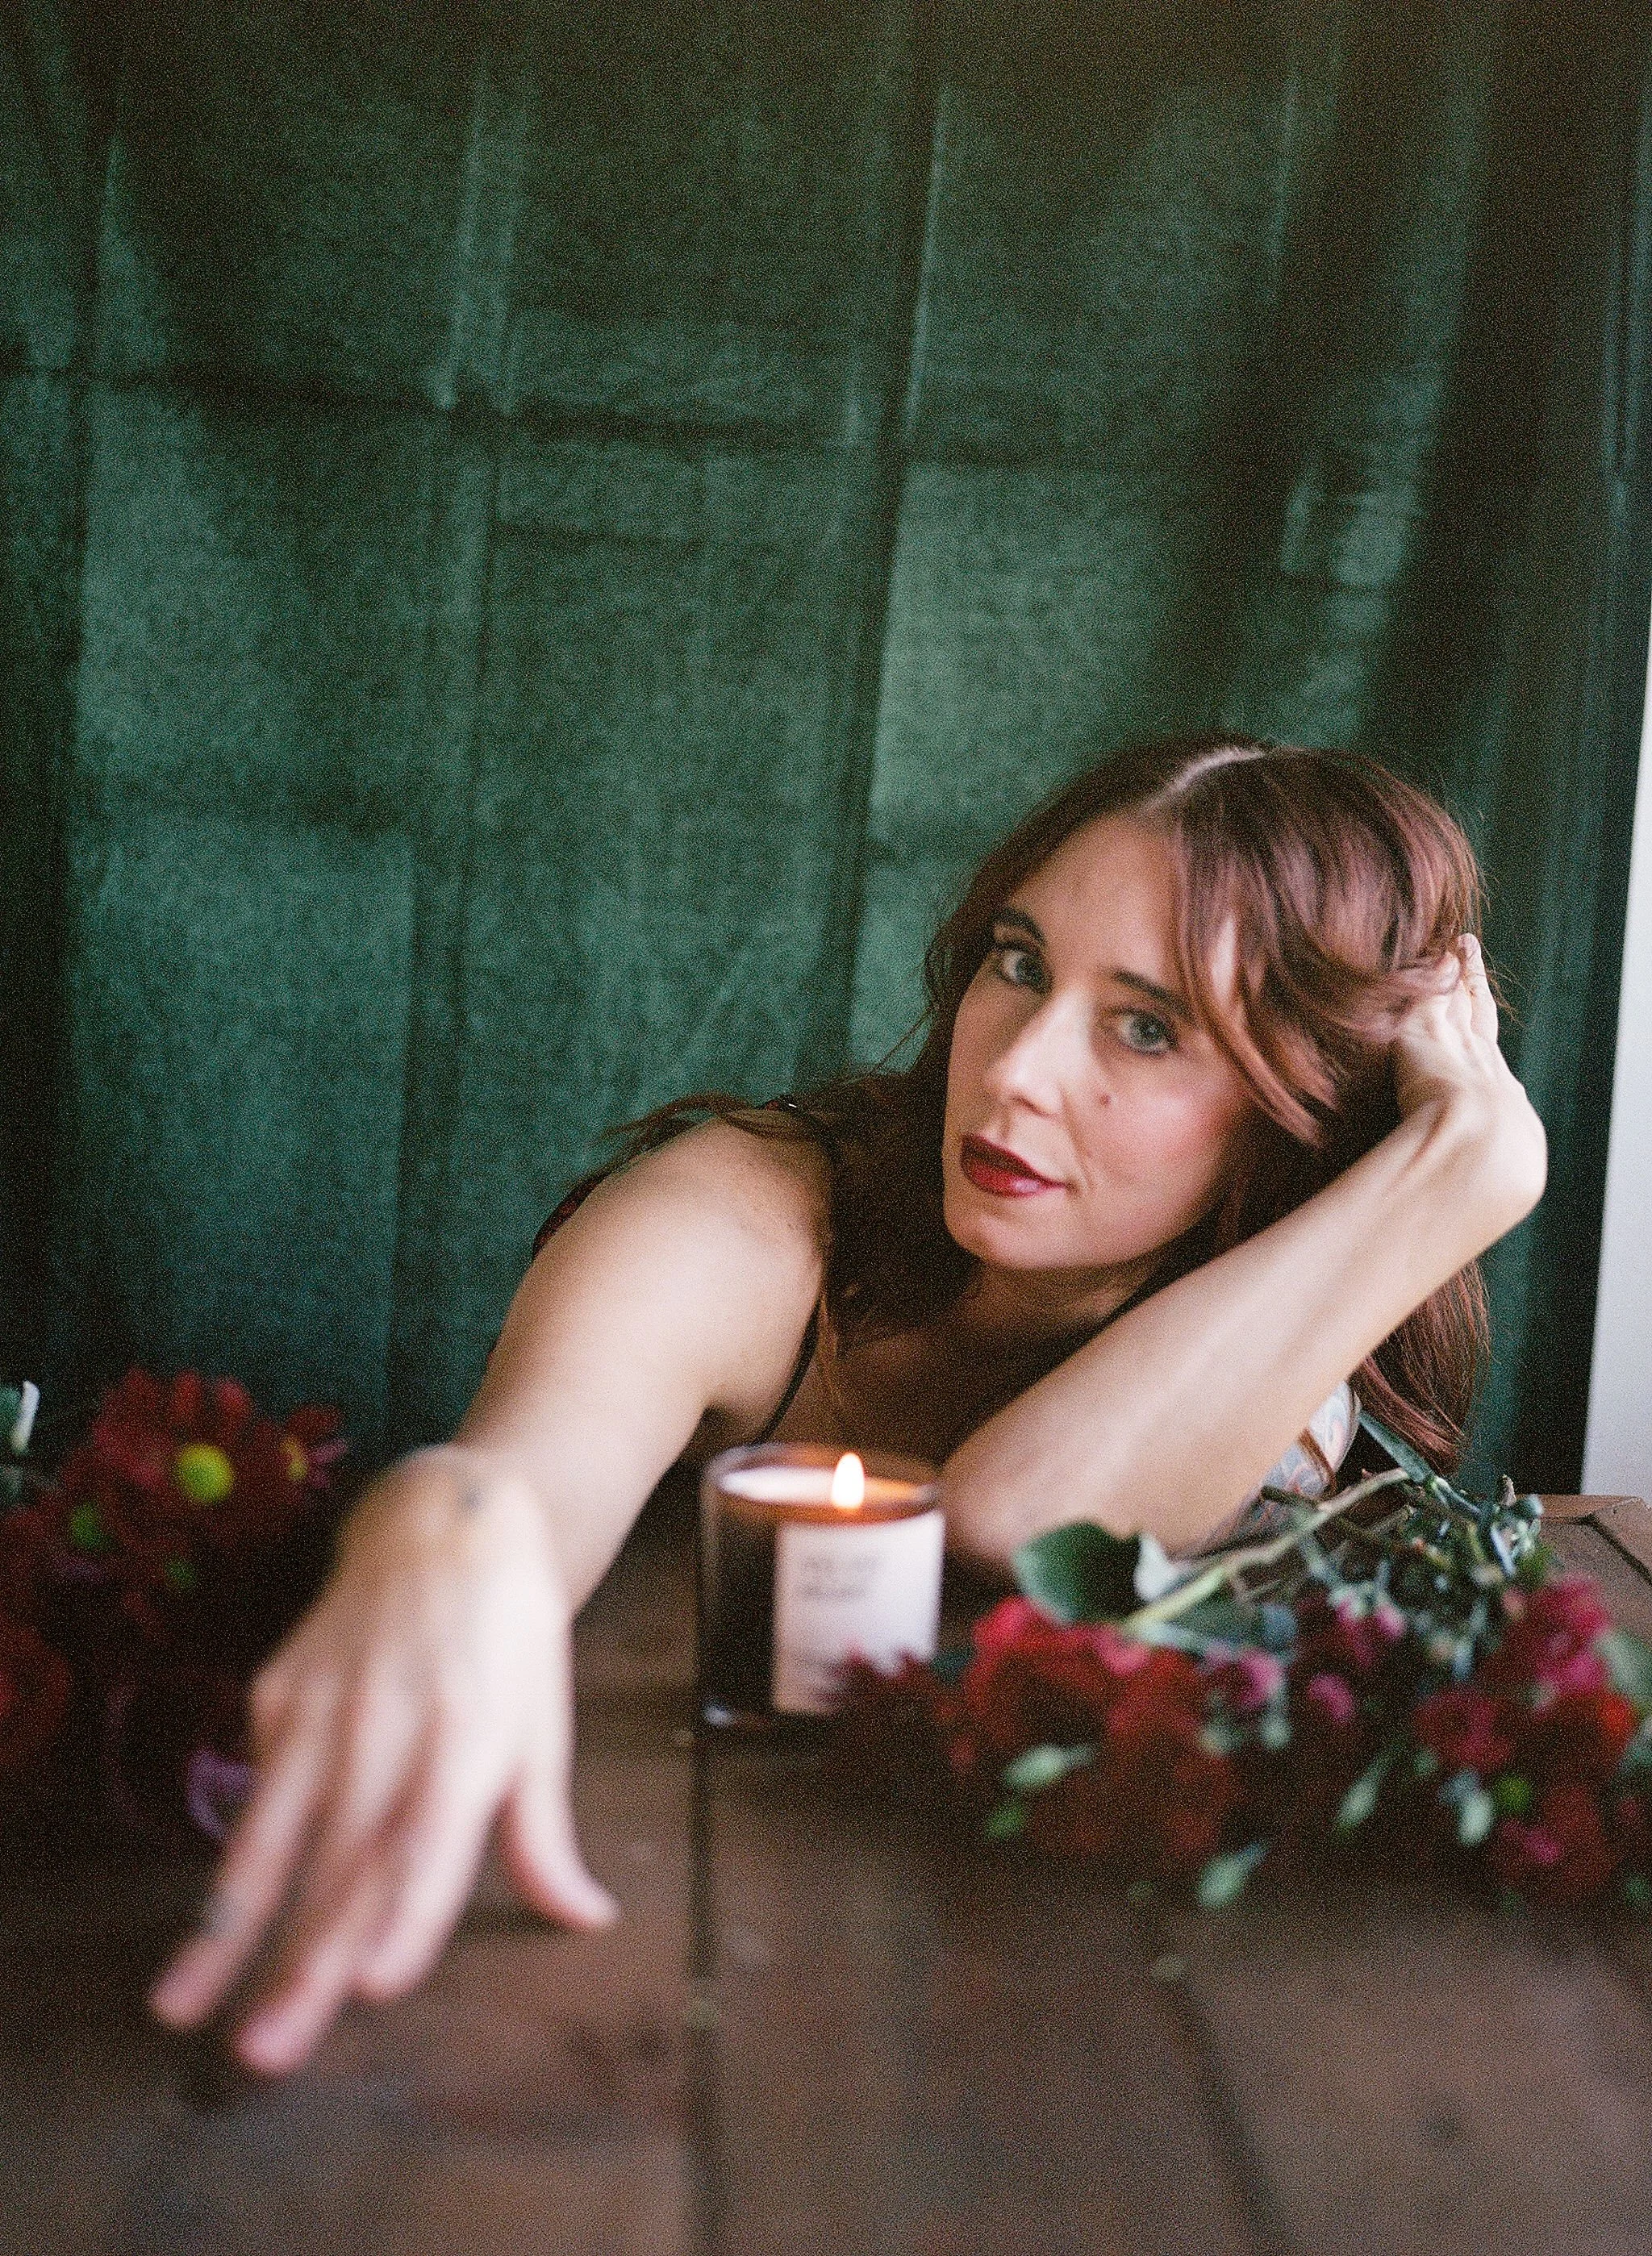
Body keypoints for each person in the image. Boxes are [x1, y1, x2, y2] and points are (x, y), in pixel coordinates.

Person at [148, 732, 1546, 2072]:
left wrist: (1469, 1167)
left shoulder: (1284, 1320)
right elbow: (525, 1473)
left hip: (1050, 2001)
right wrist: (451, 1536)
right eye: (1018, 964)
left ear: (1304, 1107)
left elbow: (1017, 1517)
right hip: (616, 1928)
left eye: (1146, 1026)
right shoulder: (756, 1216)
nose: (1011, 1070)